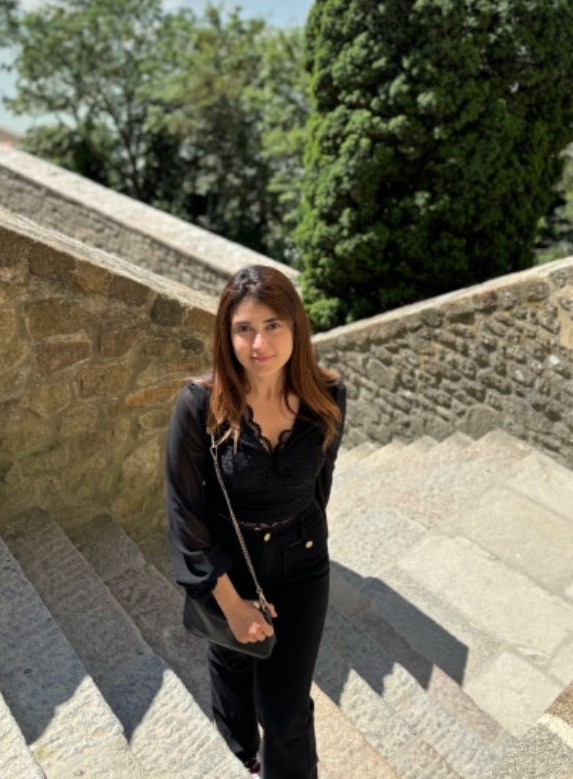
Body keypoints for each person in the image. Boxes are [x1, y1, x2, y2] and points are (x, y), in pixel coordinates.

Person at [164, 265, 346, 779]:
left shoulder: (329, 396)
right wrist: (230, 602)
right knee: (231, 663)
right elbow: (184, 511)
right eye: (244, 328)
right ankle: (240, 750)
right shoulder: (199, 404)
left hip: (302, 561)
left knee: (285, 712)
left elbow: (320, 484)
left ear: (295, 327)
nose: (259, 343)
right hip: (228, 561)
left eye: (272, 325)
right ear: (227, 334)